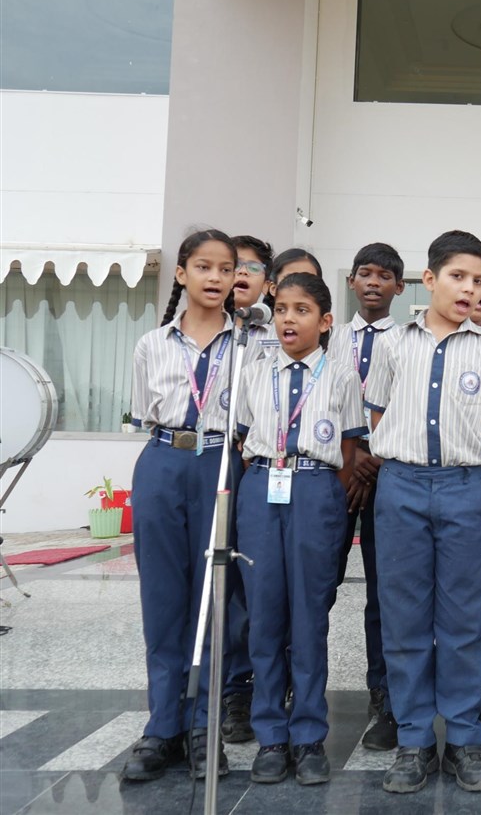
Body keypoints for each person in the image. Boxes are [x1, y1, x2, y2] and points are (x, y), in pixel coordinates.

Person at [366, 230, 481, 795]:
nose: (470, 289)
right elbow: (377, 413)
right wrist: (407, 467)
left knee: (465, 619)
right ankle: (414, 740)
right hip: (400, 486)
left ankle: (467, 738)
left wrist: (465, 477)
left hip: (464, 488)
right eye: (458, 277)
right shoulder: (393, 343)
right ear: (429, 280)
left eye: (480, 281)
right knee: (404, 617)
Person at [234, 273, 365, 785]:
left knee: (309, 619)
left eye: (302, 310)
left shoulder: (342, 376)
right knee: (264, 615)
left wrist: (320, 490)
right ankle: (271, 735)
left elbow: (349, 451)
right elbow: (243, 441)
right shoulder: (254, 371)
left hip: (315, 488)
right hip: (262, 486)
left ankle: (308, 736)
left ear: (325, 321)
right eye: (282, 309)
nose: (289, 318)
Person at [122, 229, 239, 782]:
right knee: (163, 597)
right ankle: (161, 726)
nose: (215, 277)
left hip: (222, 463)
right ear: (181, 273)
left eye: (225, 269)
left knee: (212, 601)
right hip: (163, 460)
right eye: (203, 266)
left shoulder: (250, 342)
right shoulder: (153, 343)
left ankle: (202, 727)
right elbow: (144, 411)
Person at [331, 243, 406, 750]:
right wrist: (350, 458)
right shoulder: (331, 337)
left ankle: (386, 695)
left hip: (384, 477)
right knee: (317, 588)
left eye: (384, 275)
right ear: (352, 281)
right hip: (336, 475)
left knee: (385, 593)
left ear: (400, 286)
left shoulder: (409, 341)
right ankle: (295, 684)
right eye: (365, 273)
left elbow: (406, 410)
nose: (374, 282)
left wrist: (371, 456)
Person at [220, 233, 277, 747]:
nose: (240, 273)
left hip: (256, 465)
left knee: (254, 580)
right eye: (231, 265)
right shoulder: (208, 329)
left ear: (268, 281)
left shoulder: (278, 334)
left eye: (251, 267)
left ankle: (256, 686)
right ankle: (222, 687)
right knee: (216, 581)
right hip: (210, 460)